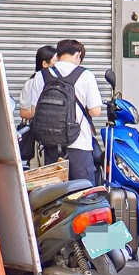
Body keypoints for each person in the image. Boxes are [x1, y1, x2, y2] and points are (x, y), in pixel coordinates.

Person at [23, 39, 103, 184]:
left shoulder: (41, 75)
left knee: (53, 197)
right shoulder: (85, 75)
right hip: (79, 144)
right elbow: (95, 111)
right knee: (83, 194)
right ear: (78, 55)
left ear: (58, 54)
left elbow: (34, 111)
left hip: (50, 146)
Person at [19, 45, 58, 164]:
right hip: (36, 137)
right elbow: (24, 113)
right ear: (45, 64)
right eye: (56, 60)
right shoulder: (31, 83)